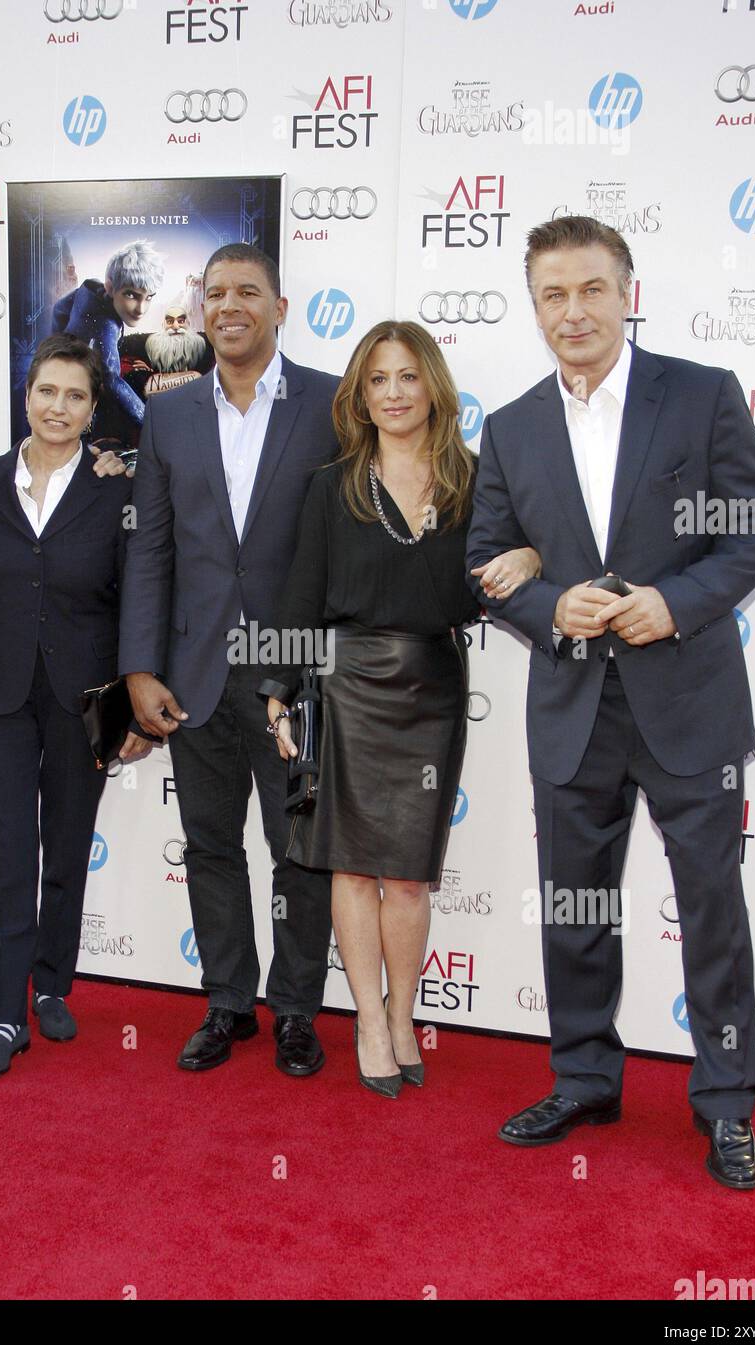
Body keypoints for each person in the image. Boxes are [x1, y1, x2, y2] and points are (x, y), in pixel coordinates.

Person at [464, 215, 755, 1188]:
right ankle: (582, 1079)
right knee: (573, 909)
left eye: (589, 289)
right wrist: (544, 603)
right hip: (571, 709)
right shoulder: (513, 425)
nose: (572, 311)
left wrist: (674, 603)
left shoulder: (696, 397)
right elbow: (482, 556)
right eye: (552, 294)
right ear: (533, 308)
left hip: (686, 704)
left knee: (711, 913)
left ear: (626, 290)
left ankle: (726, 1104)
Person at [261, 322, 540, 1097]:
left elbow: (516, 563)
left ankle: (405, 1011)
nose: (393, 393)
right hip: (346, 686)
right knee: (351, 869)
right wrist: (279, 691)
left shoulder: (474, 480)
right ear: (361, 393)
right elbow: (299, 595)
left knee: (409, 877)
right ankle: (366, 1019)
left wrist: (531, 555)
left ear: (433, 388)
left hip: (432, 688)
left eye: (408, 377)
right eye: (378, 379)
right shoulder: (332, 484)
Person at [119, 243, 339, 1077]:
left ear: (280, 307)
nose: (231, 305)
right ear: (200, 309)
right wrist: (140, 666)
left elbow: (343, 538)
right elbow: (150, 552)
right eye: (216, 293)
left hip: (292, 675)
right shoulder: (168, 415)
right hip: (194, 673)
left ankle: (294, 1010)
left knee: (299, 853)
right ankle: (226, 1002)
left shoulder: (329, 403)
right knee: (211, 844)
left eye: (249, 291)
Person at [0, 335, 148, 1080]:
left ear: (92, 408)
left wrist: (134, 701)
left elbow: (136, 599)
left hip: (83, 694)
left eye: (74, 396)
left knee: (67, 842)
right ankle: (6, 1011)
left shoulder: (114, 490)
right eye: (46, 392)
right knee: (8, 848)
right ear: (25, 397)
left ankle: (51, 983)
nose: (57, 408)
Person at [51, 238, 165, 448]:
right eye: (132, 295)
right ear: (110, 287)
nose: (141, 308)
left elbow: (59, 308)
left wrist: (55, 345)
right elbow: (111, 378)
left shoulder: (90, 288)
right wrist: (152, 426)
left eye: (149, 297)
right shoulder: (105, 324)